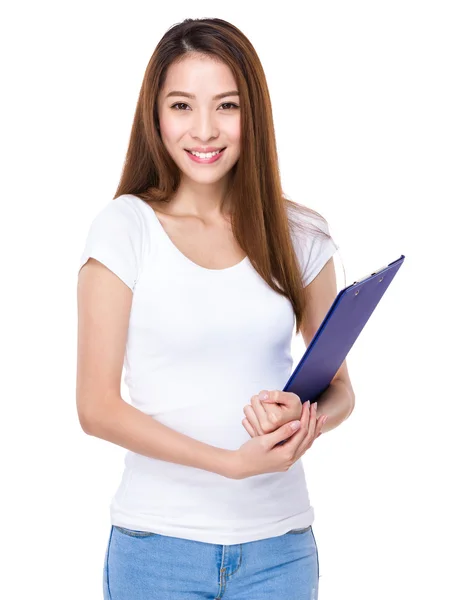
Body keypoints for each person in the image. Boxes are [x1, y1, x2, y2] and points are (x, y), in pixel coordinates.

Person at [76, 17, 355, 600]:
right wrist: (228, 463)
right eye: (182, 105)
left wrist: (301, 417)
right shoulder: (125, 229)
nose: (204, 129)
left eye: (226, 105)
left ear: (252, 113)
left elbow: (340, 390)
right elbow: (96, 408)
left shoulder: (299, 234)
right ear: (155, 114)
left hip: (279, 550)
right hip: (158, 550)